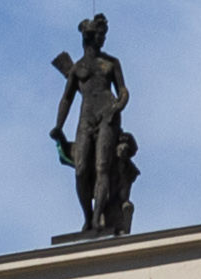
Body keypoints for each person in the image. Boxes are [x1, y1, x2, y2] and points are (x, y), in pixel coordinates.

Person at [49, 16, 136, 241]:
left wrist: (117, 107)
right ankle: (88, 217)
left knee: (102, 166)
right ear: (89, 38)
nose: (102, 39)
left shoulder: (111, 63)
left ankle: (97, 218)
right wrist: (58, 126)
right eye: (99, 35)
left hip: (107, 116)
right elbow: (67, 98)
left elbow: (123, 90)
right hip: (86, 119)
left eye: (103, 35)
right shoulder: (77, 68)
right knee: (80, 169)